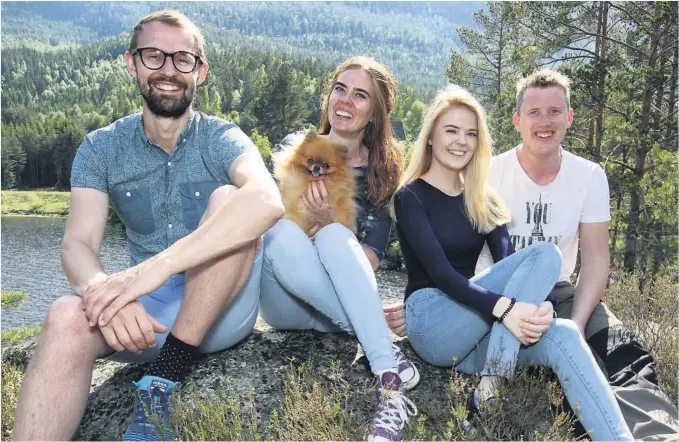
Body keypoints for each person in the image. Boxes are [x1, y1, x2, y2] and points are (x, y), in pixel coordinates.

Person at [12, 10, 284, 441]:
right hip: (146, 318)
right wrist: (106, 293)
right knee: (65, 314)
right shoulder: (101, 149)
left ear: (202, 71)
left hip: (221, 313)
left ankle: (164, 380)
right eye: (154, 56)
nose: (168, 71)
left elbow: (268, 201)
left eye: (183, 59)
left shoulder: (222, 138)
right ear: (132, 62)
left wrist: (153, 269)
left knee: (230, 199)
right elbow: (77, 244)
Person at [385, 70, 679, 439]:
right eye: (451, 131)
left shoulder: (482, 195)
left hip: (482, 332)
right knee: (546, 255)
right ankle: (493, 380)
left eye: (471, 133)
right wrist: (510, 309)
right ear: (430, 136)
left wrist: (534, 307)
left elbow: (509, 259)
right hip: (434, 320)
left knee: (566, 336)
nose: (461, 142)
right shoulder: (410, 196)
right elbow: (442, 275)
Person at [474, 69, 678, 440]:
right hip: (501, 296)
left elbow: (597, 259)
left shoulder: (589, 176)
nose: (544, 121)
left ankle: (659, 435)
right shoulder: (490, 173)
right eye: (534, 112)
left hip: (560, 292)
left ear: (569, 117)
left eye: (555, 111)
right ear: (517, 120)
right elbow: (471, 256)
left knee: (624, 353)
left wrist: (580, 324)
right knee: (564, 371)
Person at [259, 56, 418, 442]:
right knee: (278, 232)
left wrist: (330, 223)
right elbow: (259, 220)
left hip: (337, 306)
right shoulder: (296, 148)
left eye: (360, 95)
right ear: (328, 95)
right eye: (340, 89)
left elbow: (370, 259)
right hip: (286, 299)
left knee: (334, 236)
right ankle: (376, 338)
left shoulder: (383, 172)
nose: (345, 101)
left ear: (375, 114)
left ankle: (390, 387)